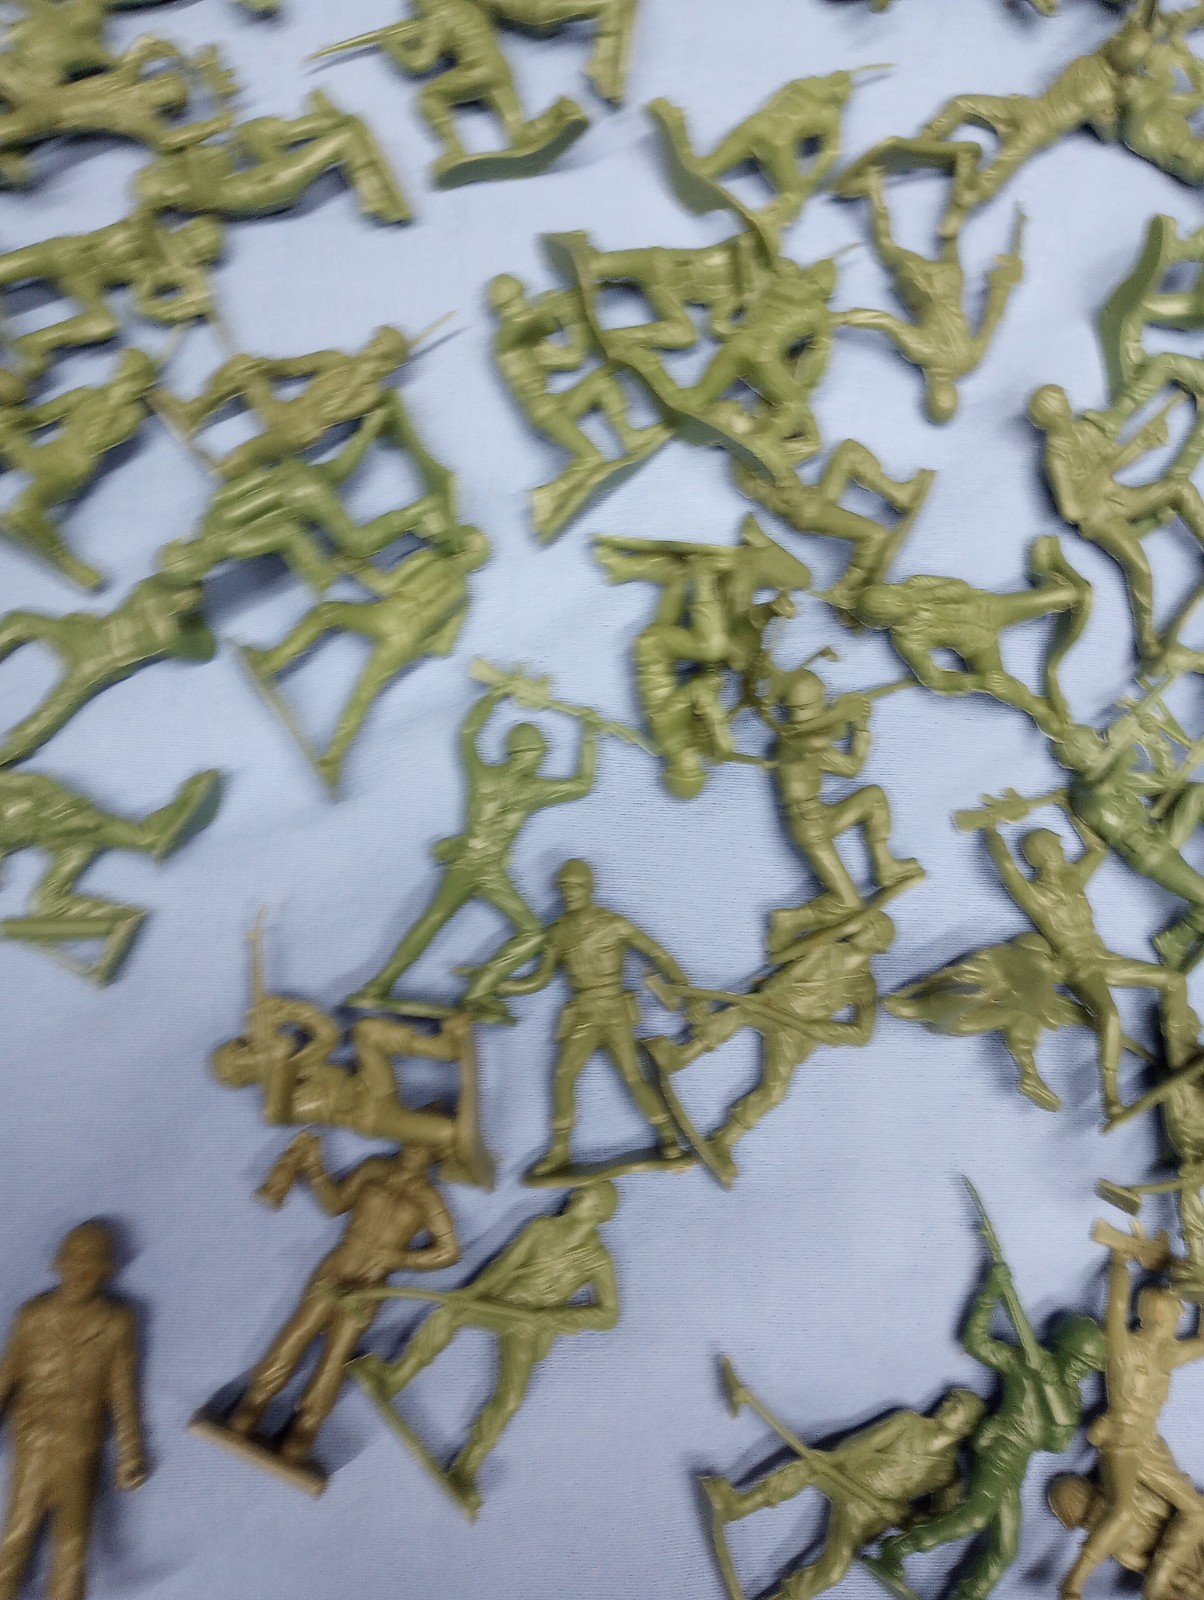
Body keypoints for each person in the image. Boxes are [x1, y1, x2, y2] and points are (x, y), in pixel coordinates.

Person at [198, 1134, 459, 1483]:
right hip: (338, 1265)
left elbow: (449, 1252)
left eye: (426, 1144)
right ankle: (255, 1401)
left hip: (371, 1284)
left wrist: (400, 1257)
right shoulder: (375, 1168)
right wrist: (316, 1167)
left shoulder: (430, 1199)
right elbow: (336, 1203)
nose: (416, 1148)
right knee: (298, 1332)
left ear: (438, 1153)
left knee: (336, 1355)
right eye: (414, 1137)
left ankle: (307, 1426)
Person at [351, 1182, 619, 1515]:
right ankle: (394, 1378)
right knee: (449, 1313)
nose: (576, 1196)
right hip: (502, 1303)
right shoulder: (543, 1228)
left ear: (597, 1212)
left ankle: (468, 1467)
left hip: (530, 1327)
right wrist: (470, 1294)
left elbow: (609, 1314)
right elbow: (504, 1267)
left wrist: (555, 1317)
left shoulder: (598, 1259)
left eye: (585, 1196)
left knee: (511, 1398)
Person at [351, 687, 597, 1006]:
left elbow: (468, 734)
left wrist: (495, 696)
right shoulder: (530, 789)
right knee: (522, 933)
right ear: (527, 752)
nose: (543, 759)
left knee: (437, 924)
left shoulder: (485, 777)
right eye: (540, 753)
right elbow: (583, 784)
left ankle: (464, 990)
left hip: (475, 865)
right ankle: (396, 987)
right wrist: (589, 735)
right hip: (480, 866)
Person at [0, 1223, 147, 1600]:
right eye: (75, 1262)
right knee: (17, 1535)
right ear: (60, 1264)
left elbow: (123, 1392)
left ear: (106, 1272)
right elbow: (7, 1376)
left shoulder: (117, 1322)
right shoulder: (33, 1315)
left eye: (92, 1265)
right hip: (32, 1439)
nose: (81, 1272)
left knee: (72, 1548)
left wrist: (131, 1453)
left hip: (80, 1446)